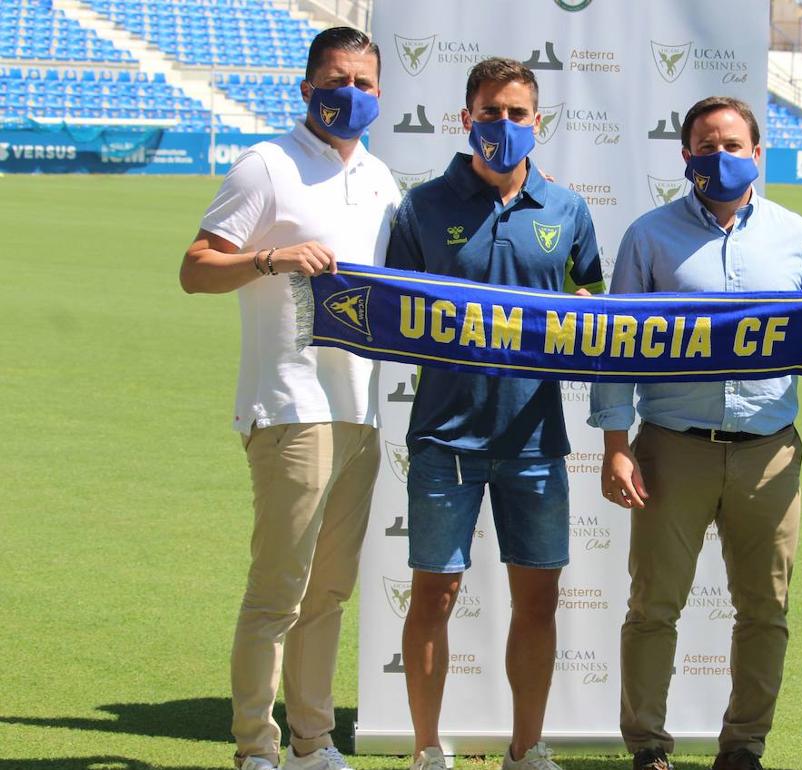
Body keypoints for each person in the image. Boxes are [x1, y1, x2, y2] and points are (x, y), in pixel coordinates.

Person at [588, 96, 802, 770]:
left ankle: (744, 746)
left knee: (766, 609)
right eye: (706, 145)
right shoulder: (649, 236)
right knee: (653, 608)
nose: (719, 157)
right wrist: (614, 446)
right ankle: (647, 746)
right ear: (686, 157)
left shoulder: (796, 235)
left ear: (758, 154)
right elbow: (614, 344)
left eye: (733, 145)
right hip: (672, 449)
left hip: (768, 453)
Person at [179, 26, 399, 770]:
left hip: (360, 409)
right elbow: (196, 267)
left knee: (329, 591)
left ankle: (312, 740)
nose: (353, 94)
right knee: (279, 590)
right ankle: (255, 749)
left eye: (367, 84)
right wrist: (269, 257)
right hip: (289, 405)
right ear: (307, 87)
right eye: (339, 80)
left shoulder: (380, 178)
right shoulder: (266, 165)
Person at [385, 57, 605, 770]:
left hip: (536, 439)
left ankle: (526, 746)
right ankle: (425, 749)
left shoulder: (569, 211)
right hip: (444, 438)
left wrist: (585, 318)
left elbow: (598, 318)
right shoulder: (420, 208)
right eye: (489, 112)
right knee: (434, 594)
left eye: (516, 113)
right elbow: (388, 315)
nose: (502, 126)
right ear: (466, 118)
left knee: (538, 601)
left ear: (537, 122)